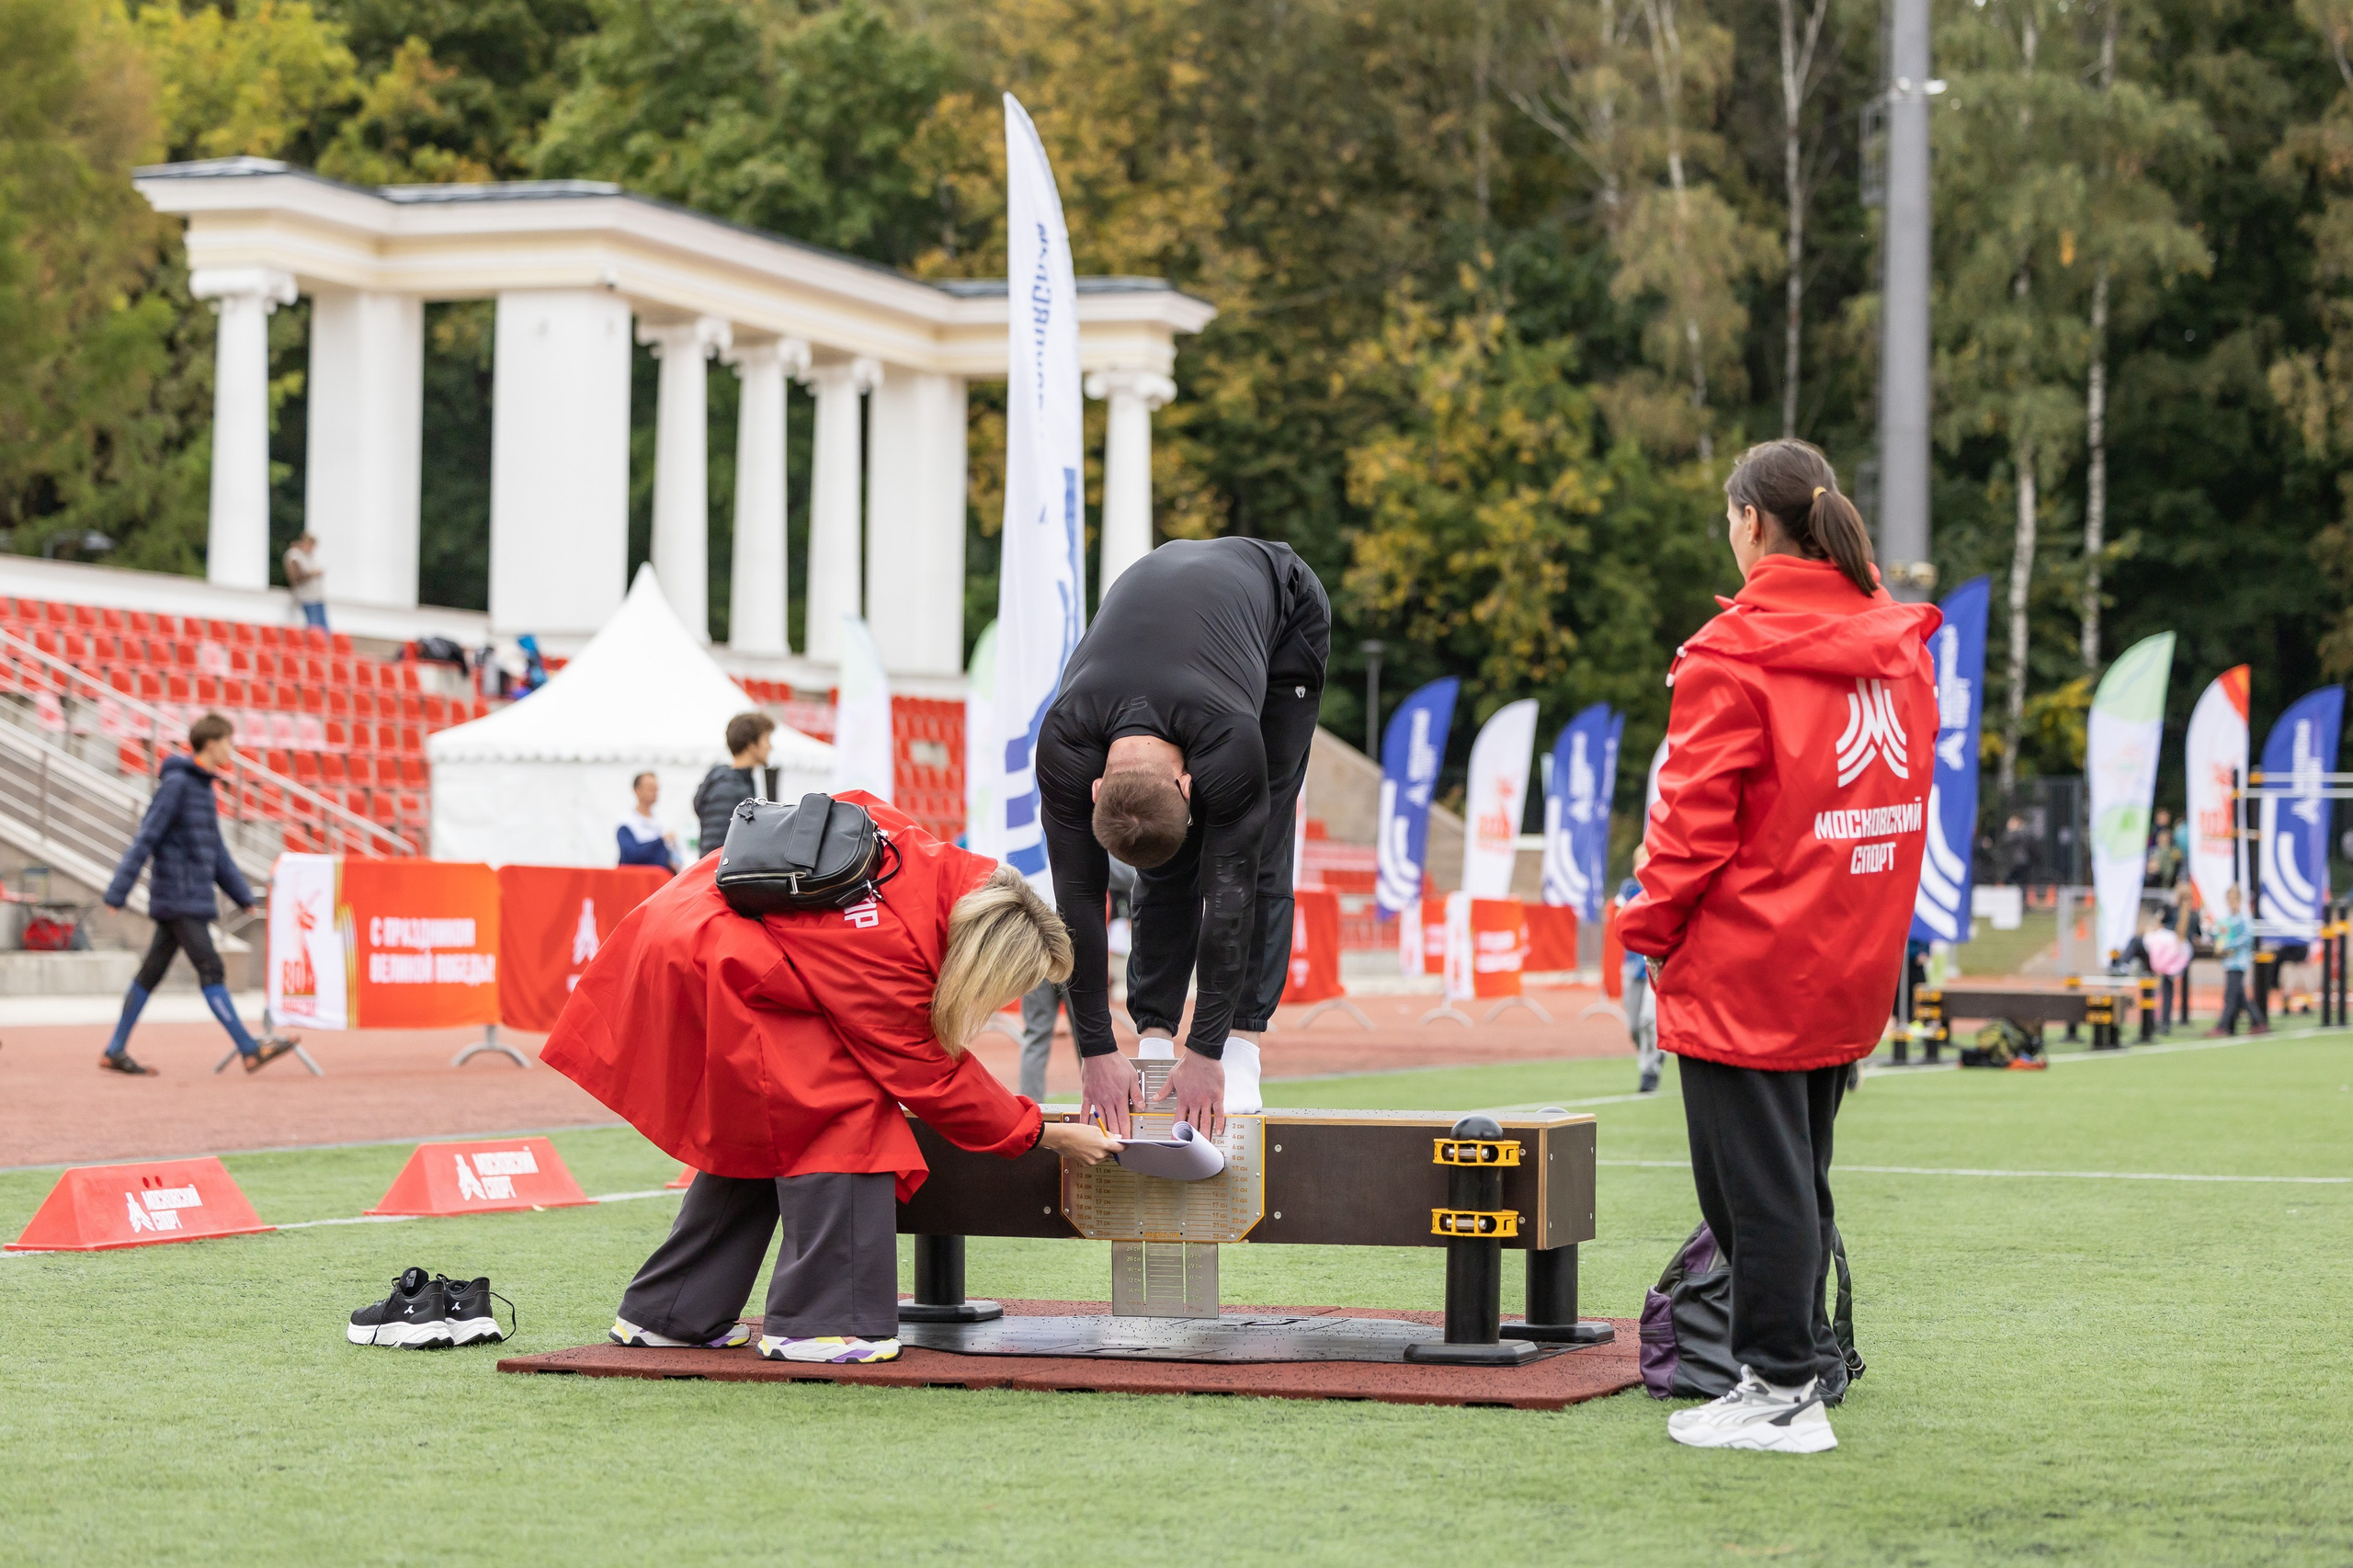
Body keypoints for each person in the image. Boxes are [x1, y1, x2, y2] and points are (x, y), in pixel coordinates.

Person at [540, 793, 1120, 1364]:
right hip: (712, 960)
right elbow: (931, 1078)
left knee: (766, 1128)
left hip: (690, 924)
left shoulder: (922, 853)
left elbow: (847, 807)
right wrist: (1045, 1132)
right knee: (841, 1110)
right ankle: (824, 1326)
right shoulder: (888, 954)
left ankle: (670, 1315)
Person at [1618, 438, 1938, 1454]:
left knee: (1753, 1189)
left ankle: (1780, 1387)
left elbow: (1691, 827)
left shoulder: (1732, 653)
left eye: (1727, 516)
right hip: (1846, 957)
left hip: (1745, 963)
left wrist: (1646, 931)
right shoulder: (1899, 644)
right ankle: (1790, 1371)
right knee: (1796, 1177)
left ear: (1750, 523)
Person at [1036, 537, 1331, 1137]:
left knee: (1260, 843)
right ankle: (1153, 1039)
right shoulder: (1066, 743)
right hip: (1171, 602)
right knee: (1165, 864)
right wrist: (1095, 1049)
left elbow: (1231, 900)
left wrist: (1209, 1051)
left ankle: (1245, 1048)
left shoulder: (1227, 742)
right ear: (1095, 791)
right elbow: (1077, 906)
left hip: (1284, 608)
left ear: (1190, 784)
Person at [99, 713, 296, 1076]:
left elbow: (215, 850)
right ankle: (249, 1050)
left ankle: (114, 1049)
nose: (231, 750)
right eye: (228, 742)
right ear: (211, 743)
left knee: (151, 973)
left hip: (187, 897)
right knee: (211, 968)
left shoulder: (203, 788)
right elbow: (146, 837)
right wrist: (118, 892)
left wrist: (241, 895)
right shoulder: (177, 785)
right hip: (179, 898)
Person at [693, 711, 775, 857]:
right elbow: (716, 848)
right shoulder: (727, 787)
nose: (770, 747)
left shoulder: (740, 782)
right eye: (766, 739)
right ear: (752, 745)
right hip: (722, 876)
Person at [1618, 850, 1663, 1095]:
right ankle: (1653, 1053)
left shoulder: (1662, 889)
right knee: (1634, 1025)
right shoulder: (1629, 889)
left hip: (1654, 966)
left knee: (1649, 1019)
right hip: (1632, 965)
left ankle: (1649, 1071)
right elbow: (1620, 916)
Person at [2208, 885, 2267, 1036]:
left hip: (2239, 962)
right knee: (2237, 995)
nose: (2231, 903)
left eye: (2234, 900)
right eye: (2229, 900)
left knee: (2231, 995)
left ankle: (2224, 1026)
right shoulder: (2226, 920)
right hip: (2229, 962)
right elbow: (2220, 936)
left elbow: (2247, 938)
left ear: (2239, 900)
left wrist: (2228, 944)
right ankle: (2257, 1022)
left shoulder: (2244, 919)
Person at [617, 772, 681, 872]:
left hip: (658, 880)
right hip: (637, 879)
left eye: (656, 789)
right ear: (637, 790)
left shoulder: (660, 821)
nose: (654, 793)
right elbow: (631, 854)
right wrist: (659, 842)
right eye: (650, 789)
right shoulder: (627, 823)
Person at [284, 531, 327, 630]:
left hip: (317, 597)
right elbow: (295, 577)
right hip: (307, 598)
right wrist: (312, 574)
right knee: (315, 630)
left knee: (323, 631)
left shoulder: (309, 557)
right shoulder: (294, 555)